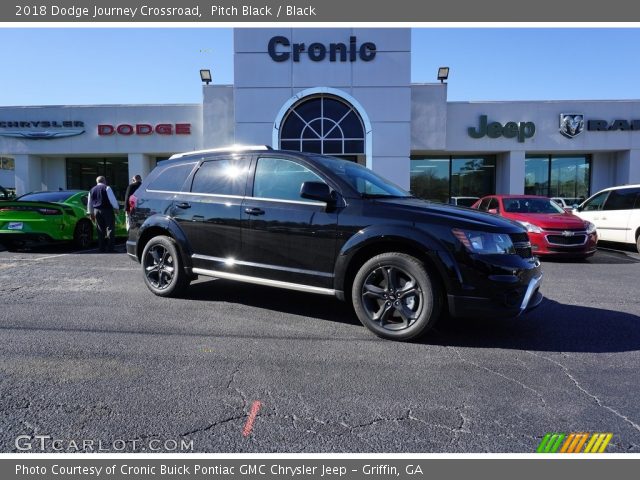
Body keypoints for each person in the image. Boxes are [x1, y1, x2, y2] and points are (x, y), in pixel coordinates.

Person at [87, 176, 120, 252]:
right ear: (104, 181)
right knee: (110, 228)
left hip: (96, 210)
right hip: (107, 210)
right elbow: (112, 199)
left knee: (100, 229)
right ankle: (110, 248)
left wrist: (91, 213)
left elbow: (89, 203)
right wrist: (116, 208)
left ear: (97, 181)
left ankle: (101, 248)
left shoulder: (91, 190)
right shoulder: (107, 188)